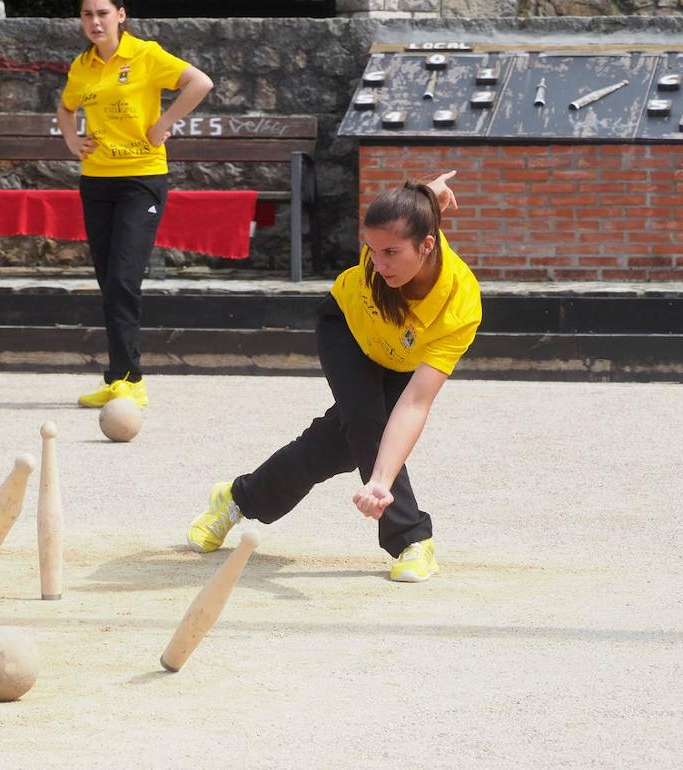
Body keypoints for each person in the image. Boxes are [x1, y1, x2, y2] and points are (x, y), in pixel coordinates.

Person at [185, 171, 480, 583]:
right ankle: (412, 540)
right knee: (366, 425)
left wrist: (378, 478)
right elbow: (412, 209)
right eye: (372, 250)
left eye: (391, 253)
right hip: (345, 329)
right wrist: (429, 191)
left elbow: (416, 402)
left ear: (427, 244)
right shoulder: (387, 249)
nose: (379, 264)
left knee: (336, 445)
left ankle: (235, 498)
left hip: (398, 358)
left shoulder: (460, 304)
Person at [57, 0, 213, 409]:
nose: (95, 21)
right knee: (109, 281)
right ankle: (117, 377)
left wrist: (164, 123)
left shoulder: (146, 55)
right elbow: (66, 106)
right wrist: (72, 140)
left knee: (124, 278)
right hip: (95, 182)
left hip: (141, 180)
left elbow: (200, 82)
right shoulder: (82, 65)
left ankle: (133, 379)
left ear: (120, 15)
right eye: (87, 14)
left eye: (102, 13)